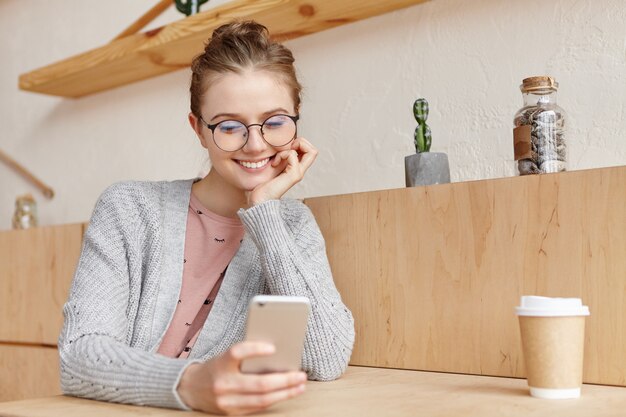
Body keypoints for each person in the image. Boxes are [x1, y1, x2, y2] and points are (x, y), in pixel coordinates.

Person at [58, 20, 355, 415]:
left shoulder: (293, 226)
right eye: (230, 126)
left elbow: (327, 358)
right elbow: (79, 355)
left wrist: (265, 212)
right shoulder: (128, 209)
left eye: (275, 122)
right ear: (198, 129)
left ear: (296, 120)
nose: (255, 144)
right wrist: (190, 384)